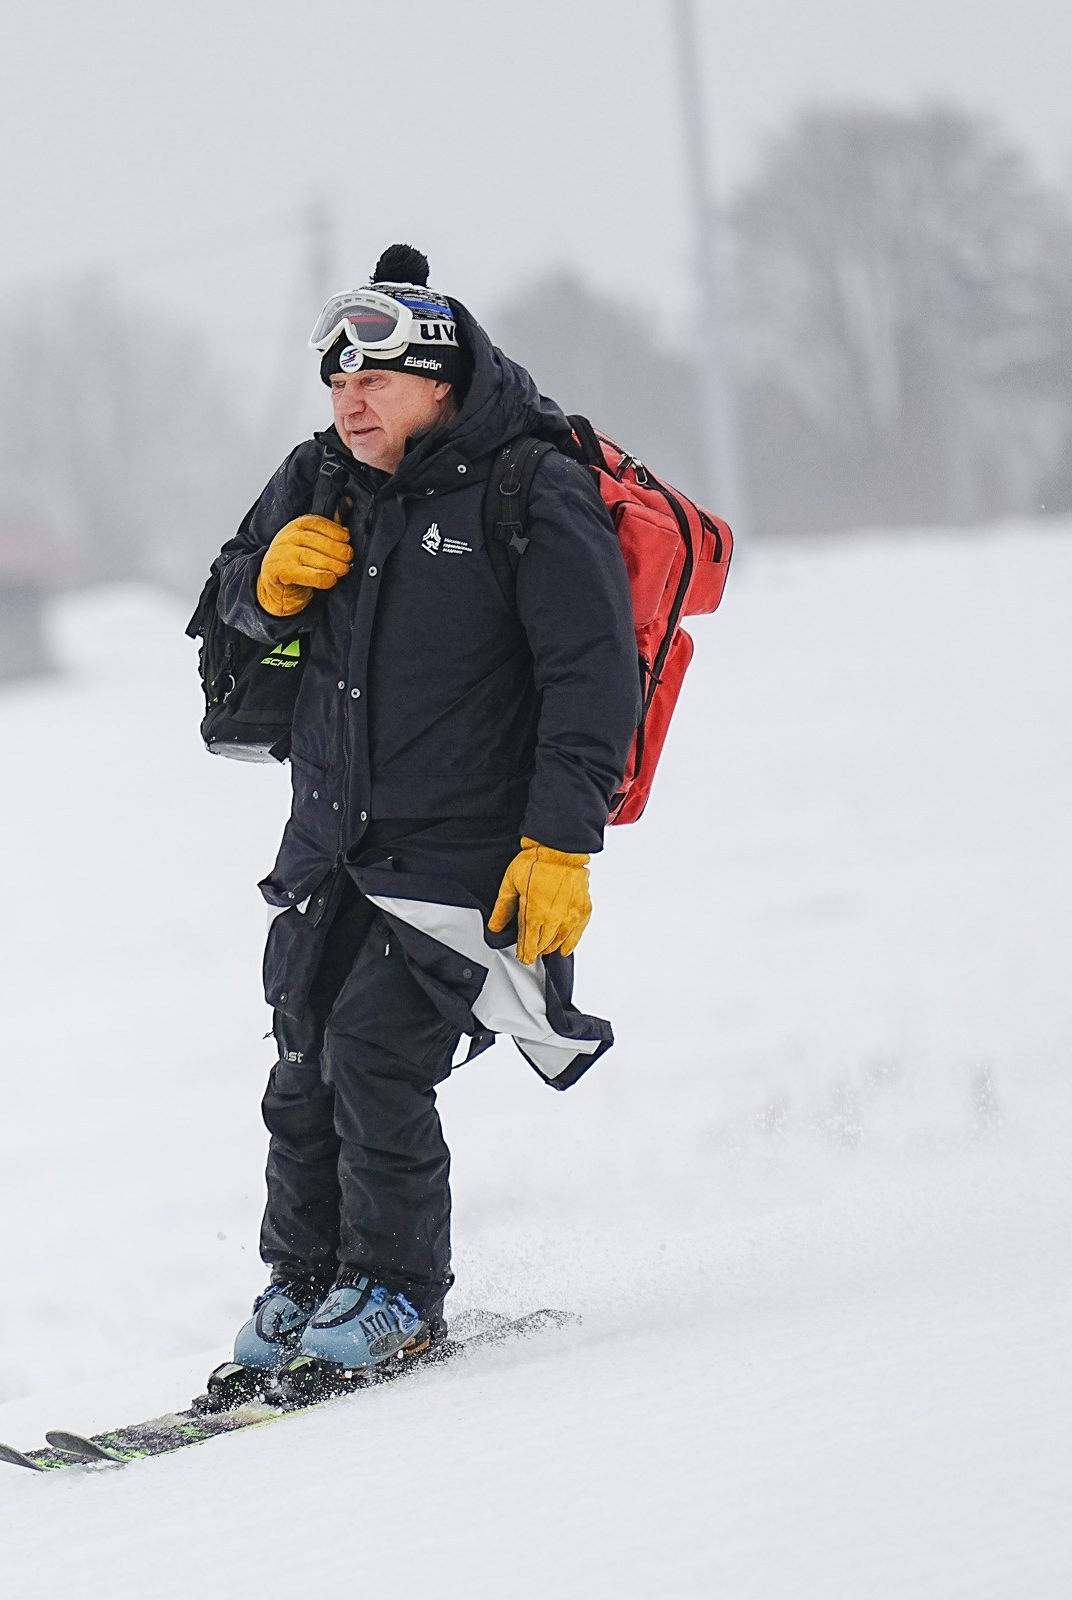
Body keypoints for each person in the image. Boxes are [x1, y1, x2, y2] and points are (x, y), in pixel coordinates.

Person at [206, 244, 641, 1389]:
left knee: (373, 1050)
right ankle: (304, 1282)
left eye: (377, 382)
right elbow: (220, 610)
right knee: (300, 1054)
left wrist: (562, 844)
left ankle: (396, 1292)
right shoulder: (316, 478)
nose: (350, 403)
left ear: (441, 382)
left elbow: (593, 679)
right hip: (329, 844)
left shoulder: (528, 487)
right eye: (338, 383)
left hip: (463, 857)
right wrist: (265, 583)